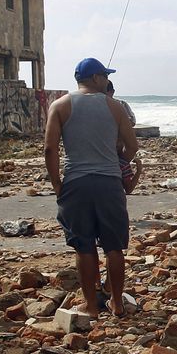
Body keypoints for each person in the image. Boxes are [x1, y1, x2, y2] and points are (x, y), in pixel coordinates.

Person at [44, 58, 138, 317]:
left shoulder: (60, 105)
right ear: (96, 78)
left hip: (76, 182)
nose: (107, 80)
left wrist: (57, 184)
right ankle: (117, 303)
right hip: (109, 183)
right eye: (105, 76)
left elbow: (50, 148)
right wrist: (118, 162)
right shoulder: (115, 107)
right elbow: (132, 146)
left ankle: (91, 306)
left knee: (84, 246)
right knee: (114, 247)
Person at [105, 80, 142, 195]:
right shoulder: (119, 105)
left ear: (112, 92)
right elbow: (133, 147)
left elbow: (132, 122)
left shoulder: (120, 105)